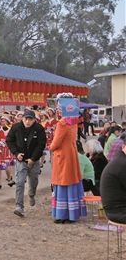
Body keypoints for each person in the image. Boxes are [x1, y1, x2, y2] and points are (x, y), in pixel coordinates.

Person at [50, 94, 87, 224]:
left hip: (62, 156)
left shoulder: (62, 123)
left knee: (62, 184)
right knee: (71, 182)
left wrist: (50, 147)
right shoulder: (74, 123)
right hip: (71, 154)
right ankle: (72, 214)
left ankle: (62, 214)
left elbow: (55, 143)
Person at [6, 110, 46, 217]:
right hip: (21, 160)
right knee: (19, 182)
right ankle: (19, 206)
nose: (27, 121)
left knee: (33, 181)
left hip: (34, 160)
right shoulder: (16, 128)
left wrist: (33, 158)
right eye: (26, 119)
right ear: (22, 119)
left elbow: (41, 144)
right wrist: (16, 153)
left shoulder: (39, 129)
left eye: (30, 119)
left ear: (34, 120)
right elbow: (9, 140)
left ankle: (31, 194)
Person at [100, 138, 126, 224]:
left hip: (116, 209)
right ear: (123, 147)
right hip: (119, 211)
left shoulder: (120, 159)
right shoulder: (122, 163)